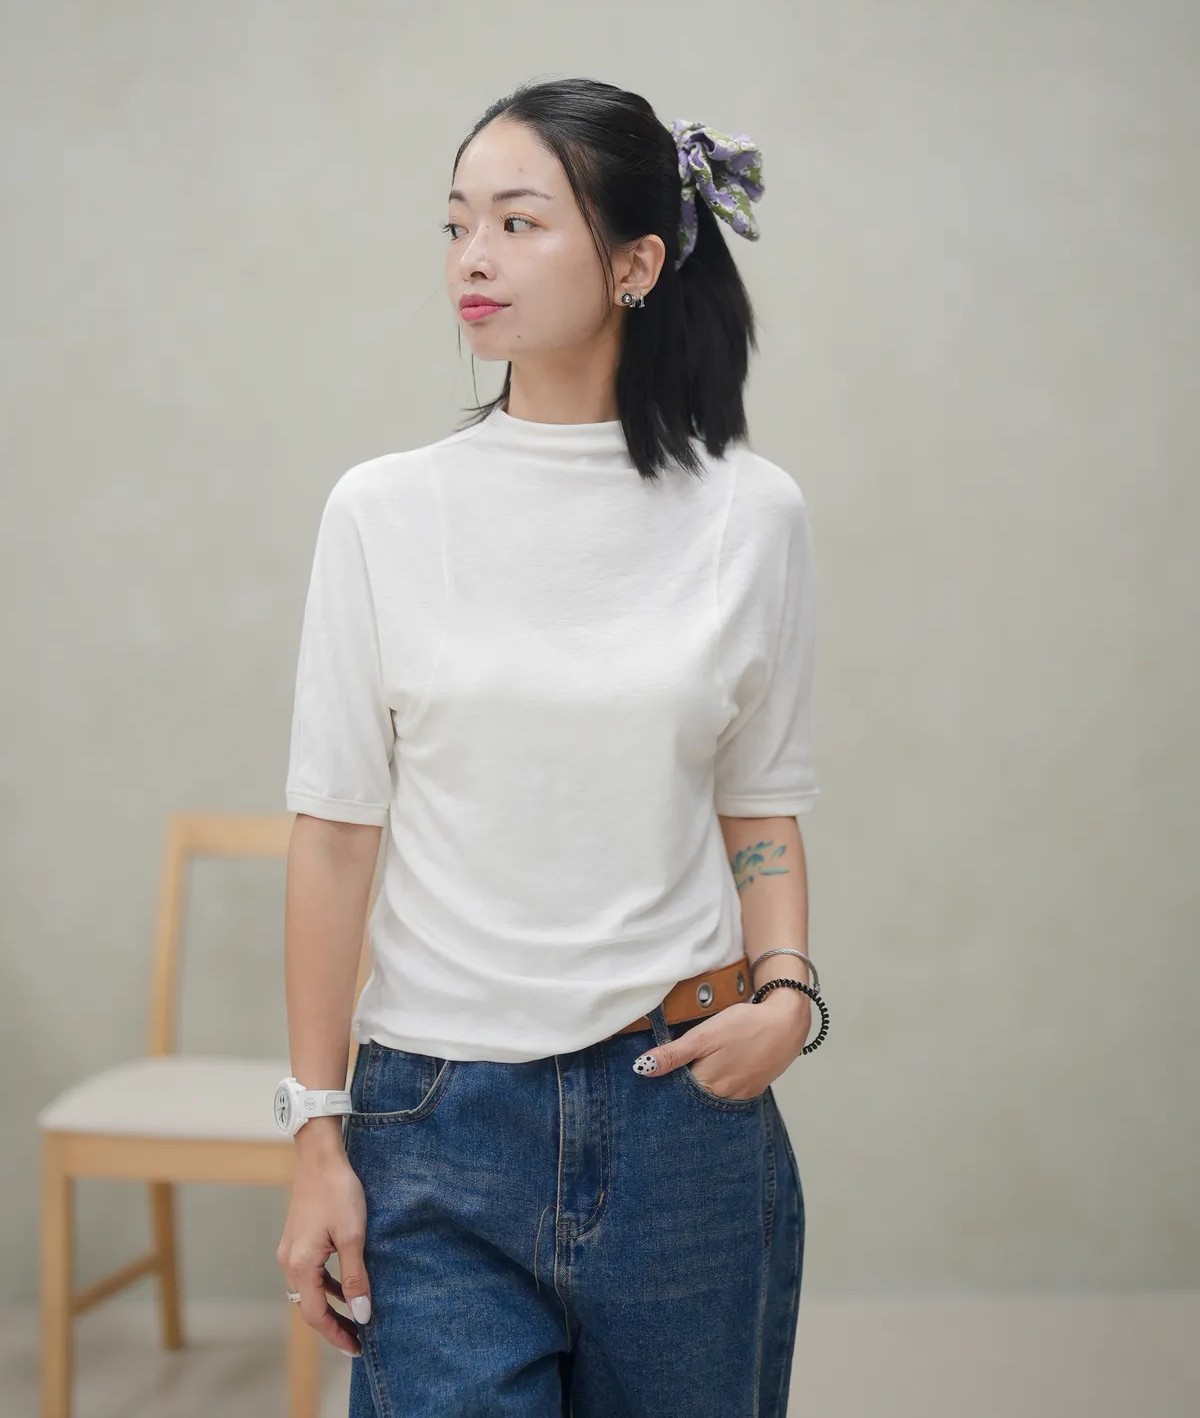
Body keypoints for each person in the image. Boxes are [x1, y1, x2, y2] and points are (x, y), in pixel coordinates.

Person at [275, 76, 826, 1418]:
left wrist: (789, 998)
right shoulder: (382, 512)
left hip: (683, 1116)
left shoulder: (752, 516)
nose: (472, 256)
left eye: (518, 223)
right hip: (433, 1125)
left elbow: (760, 801)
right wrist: (314, 1133)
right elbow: (335, 837)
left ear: (635, 263)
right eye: (457, 222)